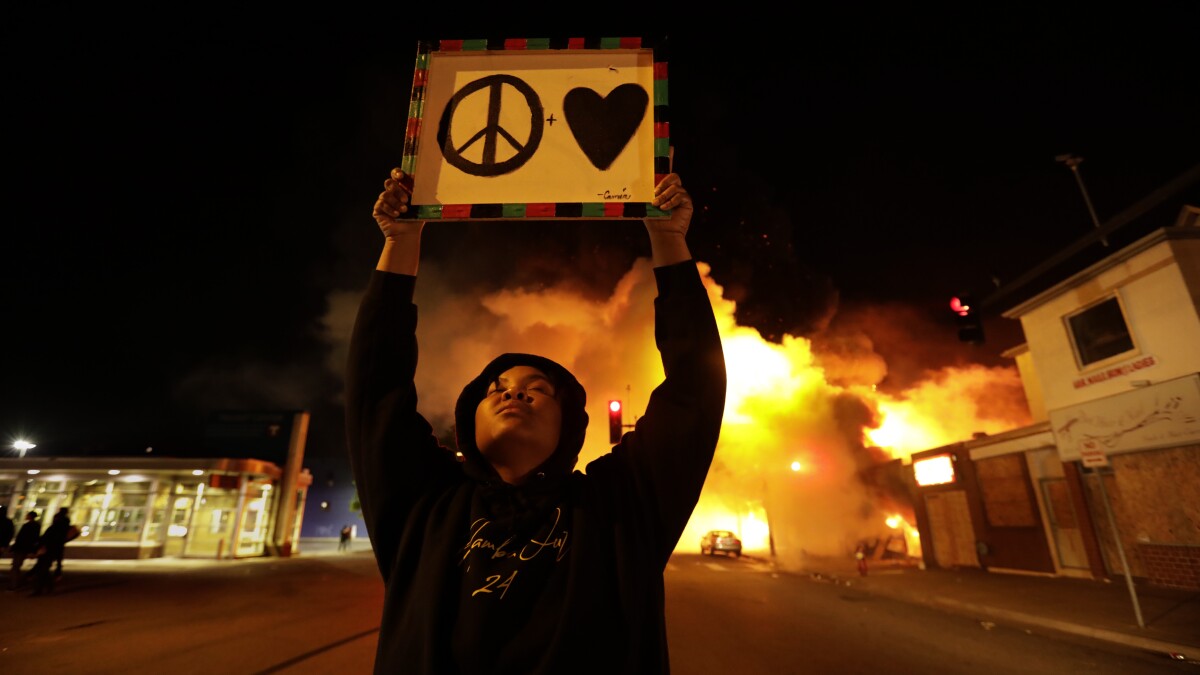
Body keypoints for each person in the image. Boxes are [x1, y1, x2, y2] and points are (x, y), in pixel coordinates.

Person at [346, 166, 726, 673]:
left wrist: (667, 238)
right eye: (495, 389)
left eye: (537, 389)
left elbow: (693, 394)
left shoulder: (618, 509)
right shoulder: (424, 503)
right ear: (468, 422)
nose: (514, 393)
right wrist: (402, 240)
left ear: (569, 426)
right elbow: (377, 387)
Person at [30, 509, 70, 595]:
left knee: (42, 570)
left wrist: (40, 546)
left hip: (48, 551)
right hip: (52, 551)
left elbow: (46, 539)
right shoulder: (62, 529)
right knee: (43, 570)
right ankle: (48, 586)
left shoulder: (54, 528)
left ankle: (40, 589)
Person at [9, 511, 41, 590]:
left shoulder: (28, 526)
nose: (26, 516)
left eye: (27, 515)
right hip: (25, 548)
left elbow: (21, 538)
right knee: (16, 566)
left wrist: (15, 546)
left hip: (21, 548)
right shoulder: (36, 526)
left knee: (15, 567)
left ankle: (15, 585)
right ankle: (16, 583)